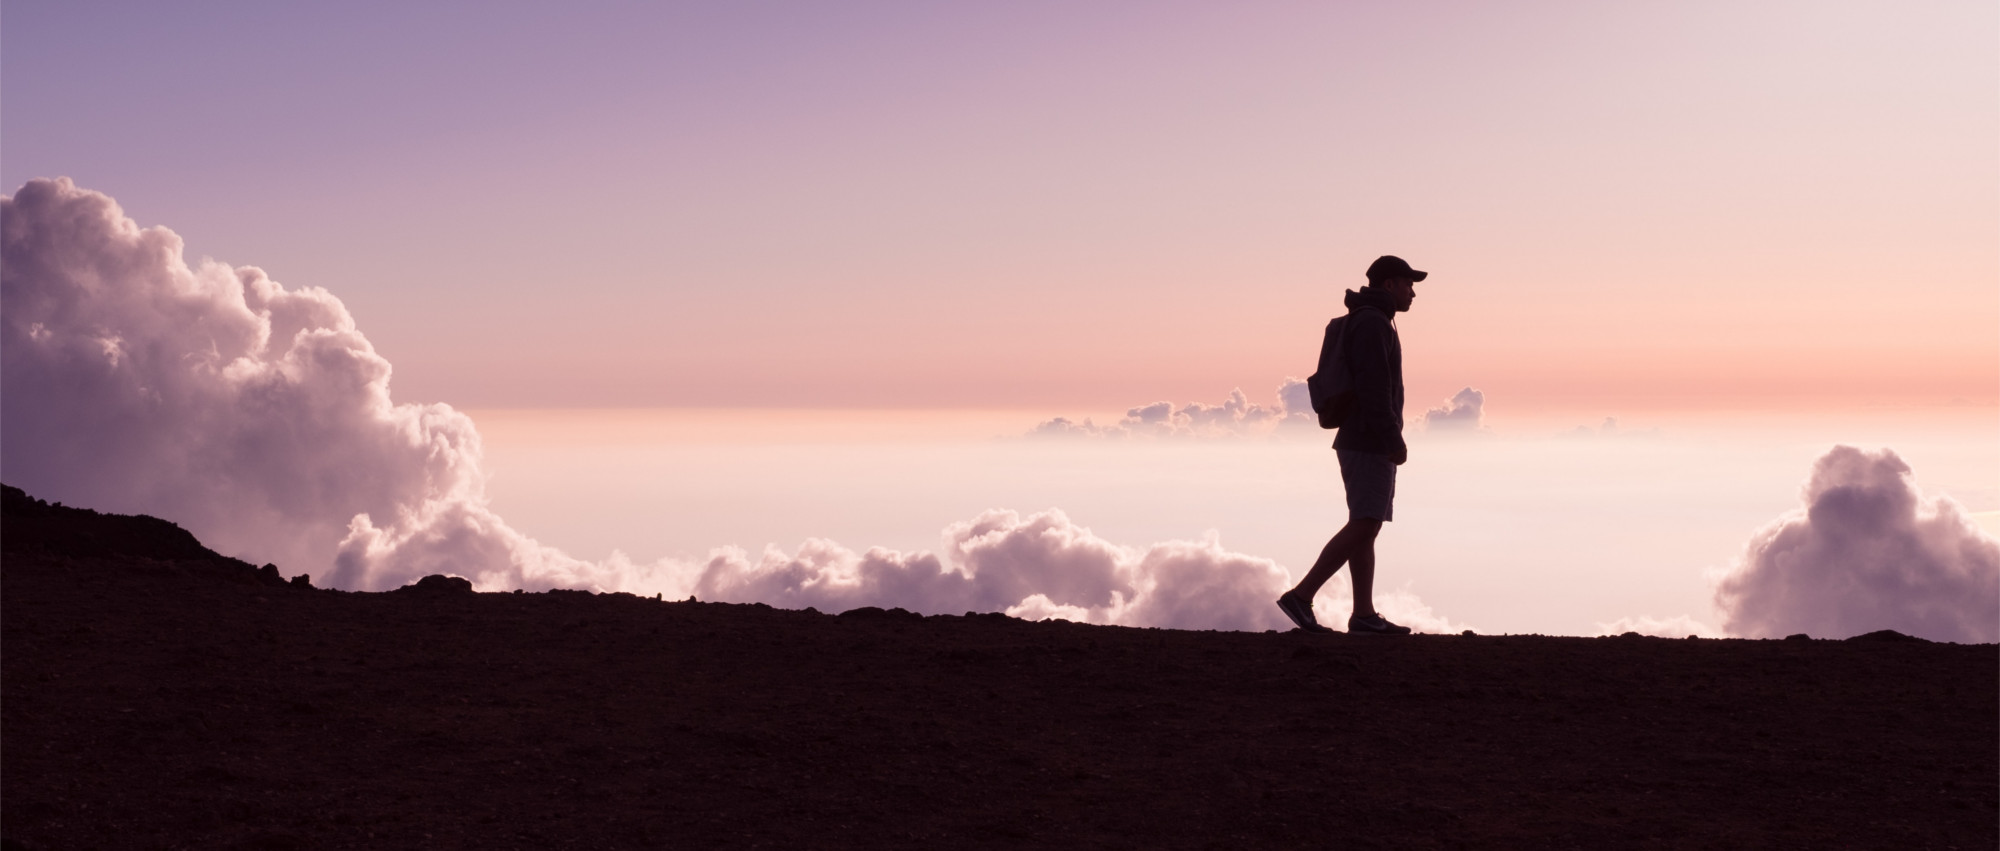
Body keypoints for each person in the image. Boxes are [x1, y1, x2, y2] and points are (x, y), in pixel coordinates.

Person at [1277, 255, 1423, 635]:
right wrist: (1393, 438)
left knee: (1366, 524)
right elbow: (1374, 388)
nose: (1412, 293)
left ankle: (1363, 615)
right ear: (1389, 285)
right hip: (1369, 439)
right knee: (1366, 522)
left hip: (1359, 437)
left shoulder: (1372, 321)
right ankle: (1301, 595)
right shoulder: (1374, 324)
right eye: (1408, 284)